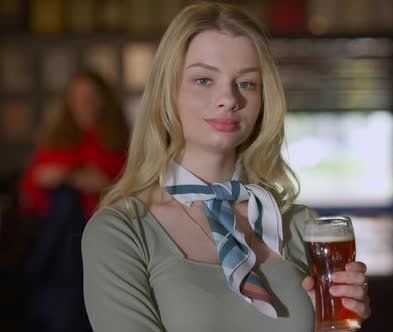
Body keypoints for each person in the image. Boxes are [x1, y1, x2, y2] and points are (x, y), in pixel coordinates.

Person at [81, 2, 371, 332]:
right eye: (204, 79)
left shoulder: (301, 226)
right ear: (167, 91)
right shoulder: (121, 232)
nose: (229, 98)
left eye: (247, 83)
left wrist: (339, 324)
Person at [19, 69, 129, 332]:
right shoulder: (54, 141)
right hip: (62, 240)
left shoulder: (119, 143)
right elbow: (30, 191)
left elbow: (135, 189)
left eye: (90, 96)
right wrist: (71, 175)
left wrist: (104, 184)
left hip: (103, 232)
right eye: (77, 97)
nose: (84, 103)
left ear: (104, 100)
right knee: (66, 202)